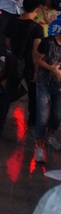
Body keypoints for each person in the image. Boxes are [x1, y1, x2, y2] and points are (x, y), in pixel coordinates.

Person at [0, 0, 41, 139]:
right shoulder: (37, 28)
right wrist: (37, 70)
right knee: (33, 94)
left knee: (7, 95)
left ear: (23, 7)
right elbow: (35, 51)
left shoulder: (13, 22)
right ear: (36, 10)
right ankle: (32, 121)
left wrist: (15, 50)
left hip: (15, 63)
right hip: (30, 65)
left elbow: (7, 40)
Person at [33, 20, 61, 161]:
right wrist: (53, 69)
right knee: (42, 116)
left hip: (59, 86)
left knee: (56, 115)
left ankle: (50, 136)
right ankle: (39, 146)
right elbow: (37, 59)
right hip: (44, 83)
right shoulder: (48, 42)